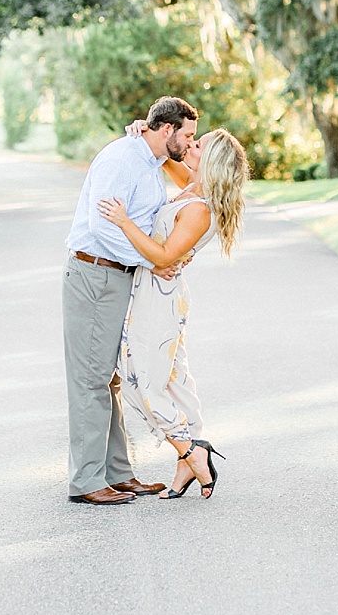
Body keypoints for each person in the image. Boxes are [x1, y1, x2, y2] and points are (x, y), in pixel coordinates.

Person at [97, 126, 248, 500]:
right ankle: (189, 456)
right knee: (174, 380)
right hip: (156, 293)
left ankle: (190, 449)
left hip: (159, 300)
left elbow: (164, 257)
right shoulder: (193, 186)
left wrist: (123, 221)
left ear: (210, 161)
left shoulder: (199, 209)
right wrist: (141, 129)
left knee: (139, 381)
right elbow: (164, 154)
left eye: (197, 145)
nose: (189, 146)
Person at [61, 96, 197, 506]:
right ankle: (86, 481)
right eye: (188, 135)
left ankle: (118, 473)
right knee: (90, 378)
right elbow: (102, 227)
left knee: (110, 377)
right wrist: (152, 262)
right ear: (168, 130)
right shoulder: (121, 159)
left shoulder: (150, 163)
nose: (191, 145)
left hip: (121, 277)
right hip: (95, 273)